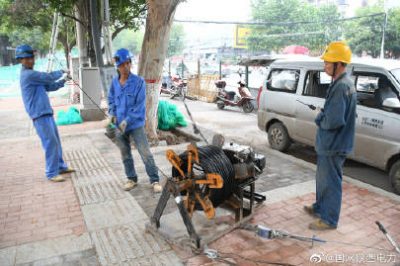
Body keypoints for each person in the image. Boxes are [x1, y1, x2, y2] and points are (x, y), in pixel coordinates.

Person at [304, 41, 357, 230]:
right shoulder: (343, 83)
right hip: (332, 144)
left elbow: (333, 121)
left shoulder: (341, 87)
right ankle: (320, 207)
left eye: (329, 62)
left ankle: (329, 219)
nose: (325, 65)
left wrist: (319, 117)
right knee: (323, 179)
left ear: (340, 64)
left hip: (334, 145)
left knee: (331, 182)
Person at [16, 44, 75, 182]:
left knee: (55, 141)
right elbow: (48, 77)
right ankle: (51, 173)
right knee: (50, 142)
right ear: (21, 60)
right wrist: (61, 71)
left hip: (45, 113)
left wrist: (64, 81)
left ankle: (60, 166)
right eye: (26, 58)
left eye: (31, 57)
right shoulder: (28, 75)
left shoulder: (33, 76)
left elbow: (50, 86)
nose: (31, 60)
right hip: (39, 114)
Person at [108, 48, 162, 193]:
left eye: (127, 63)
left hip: (135, 125)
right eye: (122, 65)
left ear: (130, 63)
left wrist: (127, 120)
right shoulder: (114, 83)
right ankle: (131, 179)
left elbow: (139, 106)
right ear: (117, 66)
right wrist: (112, 114)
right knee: (125, 154)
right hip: (119, 126)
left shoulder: (139, 82)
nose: (125, 67)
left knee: (145, 153)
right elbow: (111, 100)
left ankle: (155, 180)